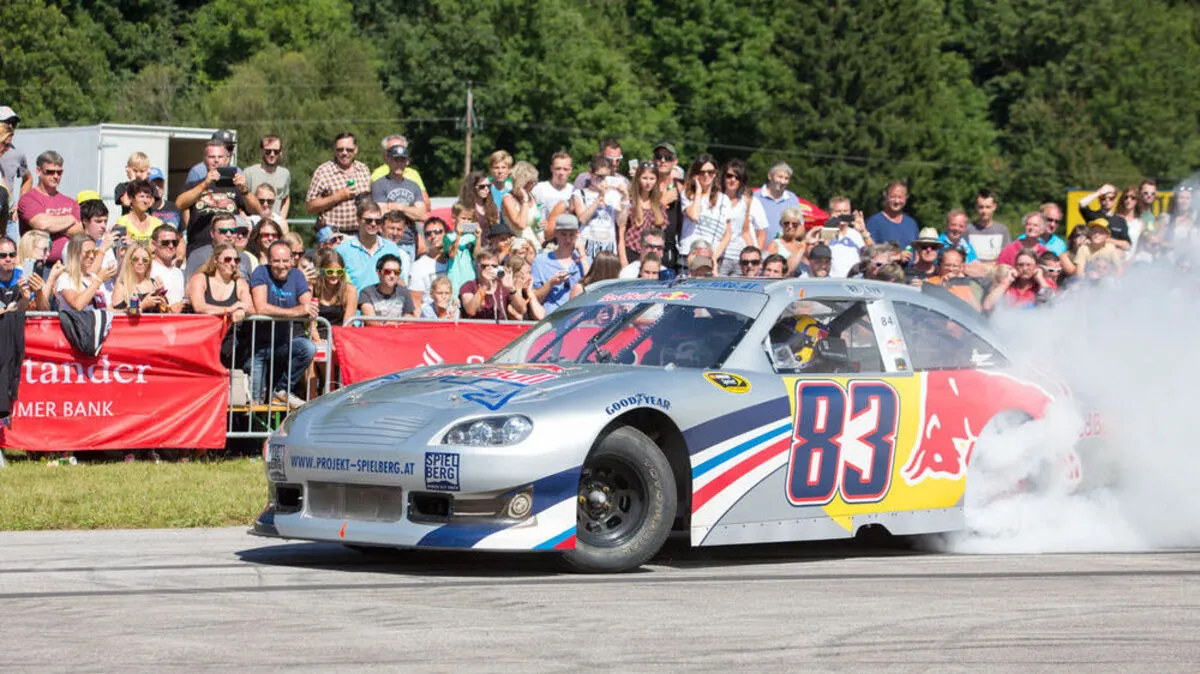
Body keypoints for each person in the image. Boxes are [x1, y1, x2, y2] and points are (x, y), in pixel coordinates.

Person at [249, 240, 317, 407]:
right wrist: (294, 311)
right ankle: (251, 433)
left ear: (292, 260)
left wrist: (302, 310)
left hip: (286, 343)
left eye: (285, 260)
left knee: (308, 348)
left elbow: (309, 308)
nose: (281, 265)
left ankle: (281, 391)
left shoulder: (297, 275)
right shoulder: (260, 272)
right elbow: (261, 307)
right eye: (277, 261)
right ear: (269, 261)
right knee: (254, 403)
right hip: (259, 347)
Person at [176, 139, 261, 251]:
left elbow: (257, 210)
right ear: (204, 160)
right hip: (198, 248)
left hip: (227, 249)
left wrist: (244, 190)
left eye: (220, 157)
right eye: (211, 157)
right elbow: (179, 204)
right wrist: (205, 184)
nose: (216, 161)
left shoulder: (235, 186)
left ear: (226, 160)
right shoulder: (194, 185)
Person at [18, 151, 81, 263]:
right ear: (38, 171)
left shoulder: (69, 202)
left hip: (67, 264)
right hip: (38, 265)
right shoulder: (28, 199)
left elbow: (79, 230)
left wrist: (52, 225)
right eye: (50, 172)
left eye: (59, 172)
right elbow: (42, 224)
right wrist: (70, 219)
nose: (55, 176)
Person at [306, 132, 371, 236]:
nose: (344, 153)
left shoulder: (363, 170)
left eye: (349, 149)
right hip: (332, 233)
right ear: (334, 150)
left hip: (360, 233)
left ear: (356, 150)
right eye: (340, 149)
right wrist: (338, 196)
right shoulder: (323, 171)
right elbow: (310, 207)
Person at [336, 200, 408, 292]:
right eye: (368, 220)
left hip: (385, 304)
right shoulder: (342, 251)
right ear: (358, 220)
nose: (373, 224)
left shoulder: (391, 249)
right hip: (355, 305)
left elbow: (399, 280)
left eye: (378, 221)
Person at [371, 143, 427, 260]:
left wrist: (400, 207)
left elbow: (422, 215)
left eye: (402, 160)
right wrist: (411, 211)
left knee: (406, 277)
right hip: (386, 241)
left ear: (407, 162)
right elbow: (381, 212)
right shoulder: (379, 184)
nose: (399, 164)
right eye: (396, 159)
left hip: (409, 242)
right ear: (388, 160)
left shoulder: (414, 186)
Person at [720, 159, 769, 277]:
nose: (733, 180)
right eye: (729, 176)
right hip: (721, 256)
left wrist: (755, 256)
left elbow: (748, 231)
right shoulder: (717, 199)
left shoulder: (747, 201)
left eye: (737, 177)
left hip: (740, 258)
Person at [679, 154, 731, 262]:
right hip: (689, 254)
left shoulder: (724, 199)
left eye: (710, 172)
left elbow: (727, 234)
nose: (706, 175)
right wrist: (698, 191)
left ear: (715, 173)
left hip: (711, 256)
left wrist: (715, 257)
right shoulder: (688, 195)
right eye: (702, 172)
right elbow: (694, 216)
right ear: (695, 174)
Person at [573, 154, 624, 260]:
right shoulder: (580, 193)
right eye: (599, 176)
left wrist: (625, 197)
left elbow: (621, 222)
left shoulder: (613, 195)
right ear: (591, 174)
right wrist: (599, 198)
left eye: (606, 177)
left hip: (608, 248)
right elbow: (582, 219)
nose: (602, 180)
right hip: (587, 247)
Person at [185, 213, 257, 282]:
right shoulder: (198, 255)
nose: (228, 235)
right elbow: (188, 286)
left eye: (233, 231)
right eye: (223, 231)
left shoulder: (244, 258)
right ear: (212, 233)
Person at [622, 162, 667, 267]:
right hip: (631, 251)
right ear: (638, 179)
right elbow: (620, 234)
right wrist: (623, 260)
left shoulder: (658, 205)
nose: (648, 182)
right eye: (645, 178)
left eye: (652, 179)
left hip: (651, 254)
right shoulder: (630, 202)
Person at [55, 234, 115, 310]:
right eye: (87, 252)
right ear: (75, 253)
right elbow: (77, 305)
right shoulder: (65, 278)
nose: (92, 256)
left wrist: (128, 311)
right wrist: (98, 280)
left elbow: (109, 310)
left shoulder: (94, 277)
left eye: (94, 252)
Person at [983, 250, 1056, 312]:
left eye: (1029, 265)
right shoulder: (1008, 284)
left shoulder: (1045, 284)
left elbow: (1052, 303)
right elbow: (987, 306)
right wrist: (1007, 281)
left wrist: (1040, 279)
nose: (1024, 268)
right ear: (1015, 266)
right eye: (1020, 265)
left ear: (1036, 266)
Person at [309, 248, 357, 340]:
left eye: (339, 272)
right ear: (322, 271)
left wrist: (337, 343)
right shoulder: (312, 288)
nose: (335, 275)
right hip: (317, 336)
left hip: (342, 336)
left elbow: (348, 323)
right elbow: (310, 322)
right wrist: (318, 340)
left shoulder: (350, 290)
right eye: (330, 272)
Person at [111, 243, 172, 313]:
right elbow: (116, 316)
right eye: (135, 259)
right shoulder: (122, 285)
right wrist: (143, 305)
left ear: (149, 263)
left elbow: (166, 312)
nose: (140, 262)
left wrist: (161, 297)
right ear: (129, 261)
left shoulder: (155, 283)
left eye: (145, 260)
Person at [243, 135, 291, 220]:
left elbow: (286, 198)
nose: (272, 154)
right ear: (261, 151)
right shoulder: (249, 173)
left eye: (276, 151)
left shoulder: (285, 174)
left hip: (274, 225)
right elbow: (241, 202)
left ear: (280, 152)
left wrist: (281, 220)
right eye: (268, 151)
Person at [754, 162, 801, 244]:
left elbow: (801, 227)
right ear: (769, 176)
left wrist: (786, 238)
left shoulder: (792, 199)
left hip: (785, 252)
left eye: (786, 178)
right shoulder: (756, 197)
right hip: (759, 250)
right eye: (780, 177)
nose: (783, 181)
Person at [358, 253, 416, 318]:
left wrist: (395, 325)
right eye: (388, 271)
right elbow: (370, 320)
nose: (392, 275)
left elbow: (409, 316)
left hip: (398, 327)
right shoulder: (366, 293)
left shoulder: (404, 292)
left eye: (396, 272)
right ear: (378, 273)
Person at [1077, 183, 1132, 252]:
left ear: (1115, 200)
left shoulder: (1121, 221)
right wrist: (1099, 192)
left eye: (1111, 198)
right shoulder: (1093, 216)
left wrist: (1106, 240)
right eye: (1103, 198)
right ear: (1099, 200)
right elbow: (1082, 203)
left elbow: (1127, 245)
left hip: (1113, 259)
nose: (1107, 200)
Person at [825, 195, 871, 278]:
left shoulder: (856, 233)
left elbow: (874, 253)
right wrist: (830, 227)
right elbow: (822, 254)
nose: (842, 214)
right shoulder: (828, 232)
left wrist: (863, 231)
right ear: (830, 213)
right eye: (838, 211)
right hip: (833, 281)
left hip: (856, 280)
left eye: (845, 211)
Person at [408, 217, 450, 307]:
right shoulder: (418, 266)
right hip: (431, 317)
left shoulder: (454, 260)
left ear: (446, 233)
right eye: (428, 233)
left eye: (438, 231)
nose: (433, 236)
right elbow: (415, 301)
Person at [501, 161, 544, 245]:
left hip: (537, 245)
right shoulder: (508, 199)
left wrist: (543, 224)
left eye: (535, 182)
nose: (534, 185)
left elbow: (536, 225)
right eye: (531, 182)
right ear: (521, 183)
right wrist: (525, 201)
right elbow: (521, 225)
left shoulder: (532, 196)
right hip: (518, 247)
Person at [460, 249, 511, 320]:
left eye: (494, 266)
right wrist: (485, 285)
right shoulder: (469, 286)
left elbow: (521, 311)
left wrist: (512, 289)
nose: (490, 269)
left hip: (499, 329)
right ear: (477, 267)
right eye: (484, 266)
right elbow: (471, 311)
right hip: (476, 329)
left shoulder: (503, 286)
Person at [865, 180, 919, 247]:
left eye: (900, 197)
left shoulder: (912, 224)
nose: (896, 201)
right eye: (893, 197)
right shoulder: (874, 222)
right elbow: (870, 251)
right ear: (886, 196)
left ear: (906, 198)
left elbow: (917, 252)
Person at [17, 230, 58, 310]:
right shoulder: (16, 273)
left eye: (49, 249)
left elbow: (45, 308)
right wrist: (51, 278)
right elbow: (34, 303)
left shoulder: (40, 271)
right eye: (45, 249)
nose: (48, 254)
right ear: (30, 248)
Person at [966, 188, 1010, 261]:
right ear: (976, 207)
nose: (984, 211)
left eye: (988, 207)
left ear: (994, 207)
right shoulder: (967, 230)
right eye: (981, 207)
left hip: (995, 270)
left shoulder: (1002, 230)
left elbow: (1006, 256)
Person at [115, 180, 164, 245]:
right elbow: (120, 250)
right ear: (131, 198)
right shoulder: (122, 223)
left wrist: (133, 243)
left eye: (148, 197)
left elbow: (161, 248)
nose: (145, 200)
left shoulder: (158, 223)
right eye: (142, 196)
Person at [532, 152, 574, 226]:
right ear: (551, 168)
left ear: (570, 170)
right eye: (558, 168)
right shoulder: (538, 189)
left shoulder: (574, 191)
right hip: (542, 233)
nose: (561, 172)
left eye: (565, 169)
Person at [765, 207, 811, 275]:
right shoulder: (774, 245)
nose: (790, 226)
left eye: (794, 224)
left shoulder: (801, 245)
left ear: (798, 225)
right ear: (781, 224)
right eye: (786, 223)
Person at [149, 225, 185, 309]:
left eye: (174, 242)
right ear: (154, 245)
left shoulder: (178, 272)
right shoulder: (148, 269)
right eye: (166, 242)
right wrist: (170, 309)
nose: (171, 246)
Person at [458, 170, 500, 235]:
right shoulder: (463, 206)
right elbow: (459, 227)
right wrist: (476, 227)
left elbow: (497, 227)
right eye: (482, 186)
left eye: (488, 186)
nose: (486, 189)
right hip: (471, 243)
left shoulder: (493, 206)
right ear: (472, 187)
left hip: (489, 243)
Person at [505, 256, 545, 321]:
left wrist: (529, 292)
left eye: (530, 273)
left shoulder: (527, 294)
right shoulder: (507, 295)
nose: (530, 278)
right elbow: (519, 316)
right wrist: (518, 289)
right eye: (525, 274)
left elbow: (540, 316)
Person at [0, 236, 32, 312]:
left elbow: (32, 307)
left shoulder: (23, 277)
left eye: (12, 254)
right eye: (2, 255)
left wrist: (25, 298)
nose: (8, 259)